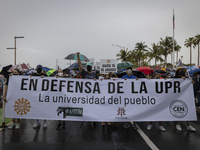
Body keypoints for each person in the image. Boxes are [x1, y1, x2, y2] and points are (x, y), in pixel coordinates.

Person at [76, 52, 97, 128]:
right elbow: (79, 65)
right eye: (87, 66)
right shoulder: (84, 73)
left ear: (91, 67)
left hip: (93, 94)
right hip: (85, 94)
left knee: (93, 108)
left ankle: (93, 121)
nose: (88, 67)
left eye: (89, 66)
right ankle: (83, 120)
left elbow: (100, 83)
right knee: (84, 107)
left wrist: (96, 80)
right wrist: (78, 56)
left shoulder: (94, 74)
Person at [173, 67, 196, 132]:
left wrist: (191, 82)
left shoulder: (187, 78)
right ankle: (178, 124)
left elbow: (190, 84)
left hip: (186, 97)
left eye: (183, 70)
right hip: (177, 97)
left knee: (187, 110)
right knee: (178, 110)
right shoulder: (175, 78)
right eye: (180, 70)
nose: (182, 71)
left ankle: (188, 125)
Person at [31, 65, 48, 129]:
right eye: (38, 68)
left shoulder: (45, 75)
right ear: (36, 69)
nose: (39, 69)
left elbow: (50, 81)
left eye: (40, 69)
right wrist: (30, 77)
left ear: (42, 69)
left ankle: (44, 121)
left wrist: (45, 78)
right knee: (36, 108)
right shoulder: (34, 75)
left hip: (43, 94)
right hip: (35, 94)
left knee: (43, 108)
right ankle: (37, 121)